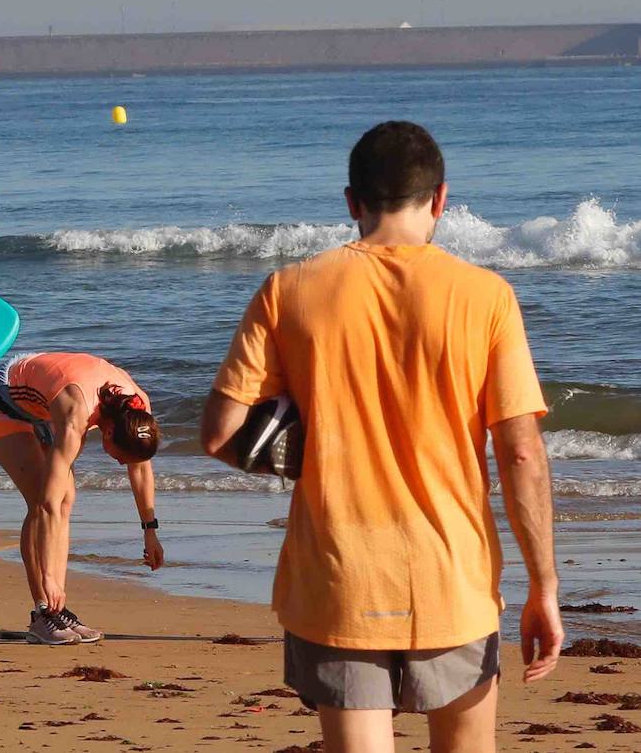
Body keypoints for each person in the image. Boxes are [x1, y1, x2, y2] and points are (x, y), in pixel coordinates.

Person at [201, 121, 562, 751]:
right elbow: (521, 449)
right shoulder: (486, 297)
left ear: (352, 202)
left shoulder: (289, 291)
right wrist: (544, 586)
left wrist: (292, 451)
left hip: (337, 579)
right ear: (440, 199)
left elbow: (218, 434)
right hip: (455, 581)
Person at [0, 352, 163, 645]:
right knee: (42, 496)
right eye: (119, 457)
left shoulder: (138, 408)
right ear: (108, 430)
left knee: (67, 499)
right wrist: (48, 577)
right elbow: (47, 505)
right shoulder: (77, 415)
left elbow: (140, 469)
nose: (120, 464)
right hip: (5, 403)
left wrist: (150, 531)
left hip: (46, 404)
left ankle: (57, 610)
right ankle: (43, 612)